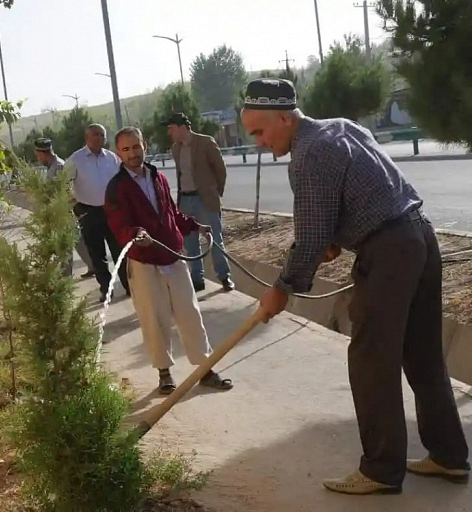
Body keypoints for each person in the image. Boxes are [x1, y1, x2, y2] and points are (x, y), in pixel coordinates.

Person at [240, 78, 469, 495]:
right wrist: (334, 239)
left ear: (286, 118)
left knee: (370, 361)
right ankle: (449, 456)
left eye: (259, 131)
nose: (257, 142)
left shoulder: (307, 154)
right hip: (419, 238)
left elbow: (309, 238)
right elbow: (353, 201)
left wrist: (283, 287)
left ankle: (381, 470)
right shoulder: (342, 127)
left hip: (388, 253)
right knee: (422, 357)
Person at [105, 126, 233, 395]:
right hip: (144, 261)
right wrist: (135, 234)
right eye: (126, 149)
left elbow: (172, 213)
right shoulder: (116, 187)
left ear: (145, 146)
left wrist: (194, 226)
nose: (132, 153)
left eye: (136, 147)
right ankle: (164, 373)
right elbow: (119, 226)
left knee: (189, 313)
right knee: (154, 318)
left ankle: (205, 369)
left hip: (172, 256)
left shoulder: (158, 177)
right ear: (118, 153)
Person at [163, 112, 235, 293]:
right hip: (185, 200)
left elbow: (220, 170)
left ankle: (224, 277)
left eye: (171, 128)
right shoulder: (175, 149)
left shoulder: (206, 143)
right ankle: (197, 279)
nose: (169, 133)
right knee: (190, 243)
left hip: (205, 199)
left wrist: (215, 192)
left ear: (182, 127)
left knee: (214, 239)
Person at [64, 124, 130, 302]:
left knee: (120, 250)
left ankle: (128, 285)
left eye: (102, 135)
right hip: (88, 211)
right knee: (97, 254)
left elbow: (122, 180)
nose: (99, 138)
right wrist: (72, 202)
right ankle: (106, 289)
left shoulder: (112, 158)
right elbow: (63, 182)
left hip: (111, 210)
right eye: (95, 135)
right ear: (87, 137)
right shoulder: (76, 159)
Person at [34, 137, 94, 278]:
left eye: (38, 155)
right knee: (77, 241)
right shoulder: (52, 166)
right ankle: (93, 266)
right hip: (61, 209)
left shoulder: (59, 166)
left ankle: (65, 276)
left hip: (65, 209)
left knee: (65, 242)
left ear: (43, 153)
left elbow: (64, 188)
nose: (37, 158)